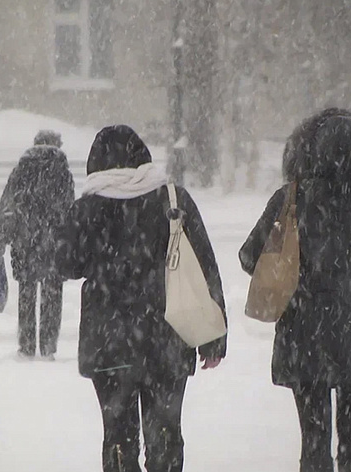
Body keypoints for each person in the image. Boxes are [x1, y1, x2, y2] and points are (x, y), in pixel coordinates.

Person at [239, 108, 351, 472]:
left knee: (314, 441)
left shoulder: (291, 200)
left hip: (304, 339)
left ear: (308, 151)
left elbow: (248, 256)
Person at [57, 125, 226, 472]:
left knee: (118, 438)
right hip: (167, 337)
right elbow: (203, 264)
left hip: (109, 343)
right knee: (165, 436)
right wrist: (214, 335)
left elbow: (65, 265)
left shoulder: (88, 206)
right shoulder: (172, 199)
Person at [0, 130, 75, 360]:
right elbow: (69, 209)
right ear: (57, 144)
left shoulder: (21, 169)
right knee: (52, 295)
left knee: (26, 293)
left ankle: (26, 347)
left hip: (25, 241)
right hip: (54, 242)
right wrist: (72, 238)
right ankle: (48, 348)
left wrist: (1, 235)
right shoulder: (63, 172)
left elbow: (8, 205)